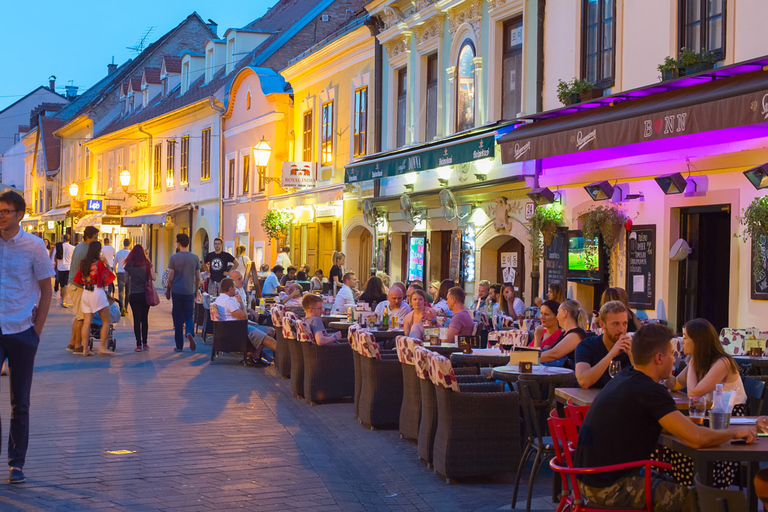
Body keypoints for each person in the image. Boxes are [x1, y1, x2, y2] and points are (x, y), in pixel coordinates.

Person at [574, 323, 756, 512]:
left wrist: (689, 428)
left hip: (589, 479)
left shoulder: (626, 377)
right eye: (671, 354)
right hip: (608, 487)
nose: (675, 359)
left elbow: (674, 427)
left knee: (680, 485)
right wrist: (735, 432)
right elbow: (697, 439)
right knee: (704, 501)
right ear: (659, 358)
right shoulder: (650, 390)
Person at [0, 190, 54, 484]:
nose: (1, 215)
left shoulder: (34, 247)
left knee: (19, 402)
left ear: (19, 214)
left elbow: (46, 290)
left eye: (7, 211)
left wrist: (37, 332)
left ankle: (16, 463)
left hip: (22, 330)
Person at [663, 317, 748, 487]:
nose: (682, 341)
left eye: (686, 337)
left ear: (698, 341)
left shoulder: (722, 362)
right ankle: (683, 489)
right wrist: (658, 374)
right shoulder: (699, 361)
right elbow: (676, 384)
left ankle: (696, 489)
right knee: (673, 441)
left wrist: (693, 362)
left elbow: (694, 393)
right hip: (709, 416)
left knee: (683, 442)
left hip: (729, 419)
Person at [215, 278, 276, 366]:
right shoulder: (228, 301)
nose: (236, 290)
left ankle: (255, 356)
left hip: (232, 328)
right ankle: (287, 360)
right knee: (270, 341)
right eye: (234, 288)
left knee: (271, 331)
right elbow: (244, 318)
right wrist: (241, 302)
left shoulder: (219, 299)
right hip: (239, 329)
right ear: (230, 289)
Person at [574, 300, 632, 389]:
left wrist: (632, 355)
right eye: (616, 324)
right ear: (602, 324)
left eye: (624, 323)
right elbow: (584, 381)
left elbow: (646, 385)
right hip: (592, 401)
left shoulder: (633, 348)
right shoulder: (587, 346)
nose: (621, 329)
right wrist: (611, 354)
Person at [73, 241, 115, 356]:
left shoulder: (83, 263)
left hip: (86, 292)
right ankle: (102, 347)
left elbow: (78, 279)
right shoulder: (99, 264)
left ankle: (85, 349)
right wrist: (106, 263)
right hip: (97, 292)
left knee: (87, 322)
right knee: (106, 321)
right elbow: (109, 277)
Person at [68, 226, 100, 353]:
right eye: (95, 237)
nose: (96, 240)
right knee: (82, 317)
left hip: (74, 284)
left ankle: (72, 342)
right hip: (78, 286)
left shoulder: (80, 246)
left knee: (78, 316)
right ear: (88, 237)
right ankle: (77, 346)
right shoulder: (85, 250)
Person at [166, 233, 200, 352]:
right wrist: (196, 290)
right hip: (189, 291)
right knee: (189, 315)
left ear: (179, 243)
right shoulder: (195, 257)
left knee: (178, 318)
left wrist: (169, 290)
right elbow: (198, 277)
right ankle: (189, 332)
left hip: (177, 291)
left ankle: (179, 346)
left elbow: (170, 277)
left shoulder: (174, 258)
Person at [123, 244, 155, 352]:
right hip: (145, 295)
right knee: (144, 318)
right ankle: (145, 342)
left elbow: (126, 280)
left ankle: (138, 344)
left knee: (136, 320)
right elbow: (153, 277)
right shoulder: (147, 263)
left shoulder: (129, 264)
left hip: (134, 294)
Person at [228, 270, 277, 339]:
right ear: (232, 281)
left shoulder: (240, 289)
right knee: (271, 331)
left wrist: (250, 310)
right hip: (239, 327)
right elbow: (241, 316)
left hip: (243, 323)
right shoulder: (233, 294)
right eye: (239, 279)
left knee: (268, 329)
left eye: (242, 278)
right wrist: (251, 311)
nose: (242, 280)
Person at [540, 299, 589, 366]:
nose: (557, 316)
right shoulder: (565, 334)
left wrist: (529, 358)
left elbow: (554, 354)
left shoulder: (576, 334)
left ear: (564, 313)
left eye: (558, 312)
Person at [55, 234, 75, 308]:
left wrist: (56, 264)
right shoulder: (73, 248)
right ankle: (64, 300)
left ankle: (61, 299)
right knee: (67, 285)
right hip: (69, 267)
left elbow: (54, 256)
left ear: (63, 239)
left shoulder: (59, 246)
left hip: (60, 267)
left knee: (62, 285)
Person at [114, 238, 131, 315]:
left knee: (121, 291)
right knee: (128, 292)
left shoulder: (118, 253)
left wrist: (116, 272)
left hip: (120, 273)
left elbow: (114, 265)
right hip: (128, 274)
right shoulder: (130, 253)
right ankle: (126, 309)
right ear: (130, 244)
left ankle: (121, 308)